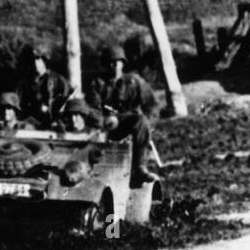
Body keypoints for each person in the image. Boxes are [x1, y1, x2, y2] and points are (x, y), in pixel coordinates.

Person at [86, 45, 160, 185]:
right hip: (104, 125)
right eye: (110, 62)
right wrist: (103, 121)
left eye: (118, 62)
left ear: (123, 64)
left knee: (142, 121)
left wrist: (149, 125)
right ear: (105, 64)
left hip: (128, 122)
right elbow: (92, 108)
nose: (114, 65)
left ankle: (139, 167)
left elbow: (152, 105)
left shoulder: (134, 81)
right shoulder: (97, 83)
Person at [20, 44, 72, 128]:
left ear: (44, 60)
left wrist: (55, 112)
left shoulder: (58, 80)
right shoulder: (27, 82)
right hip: (33, 122)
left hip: (55, 122)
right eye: (32, 60)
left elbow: (68, 99)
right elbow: (22, 103)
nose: (34, 63)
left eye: (37, 59)